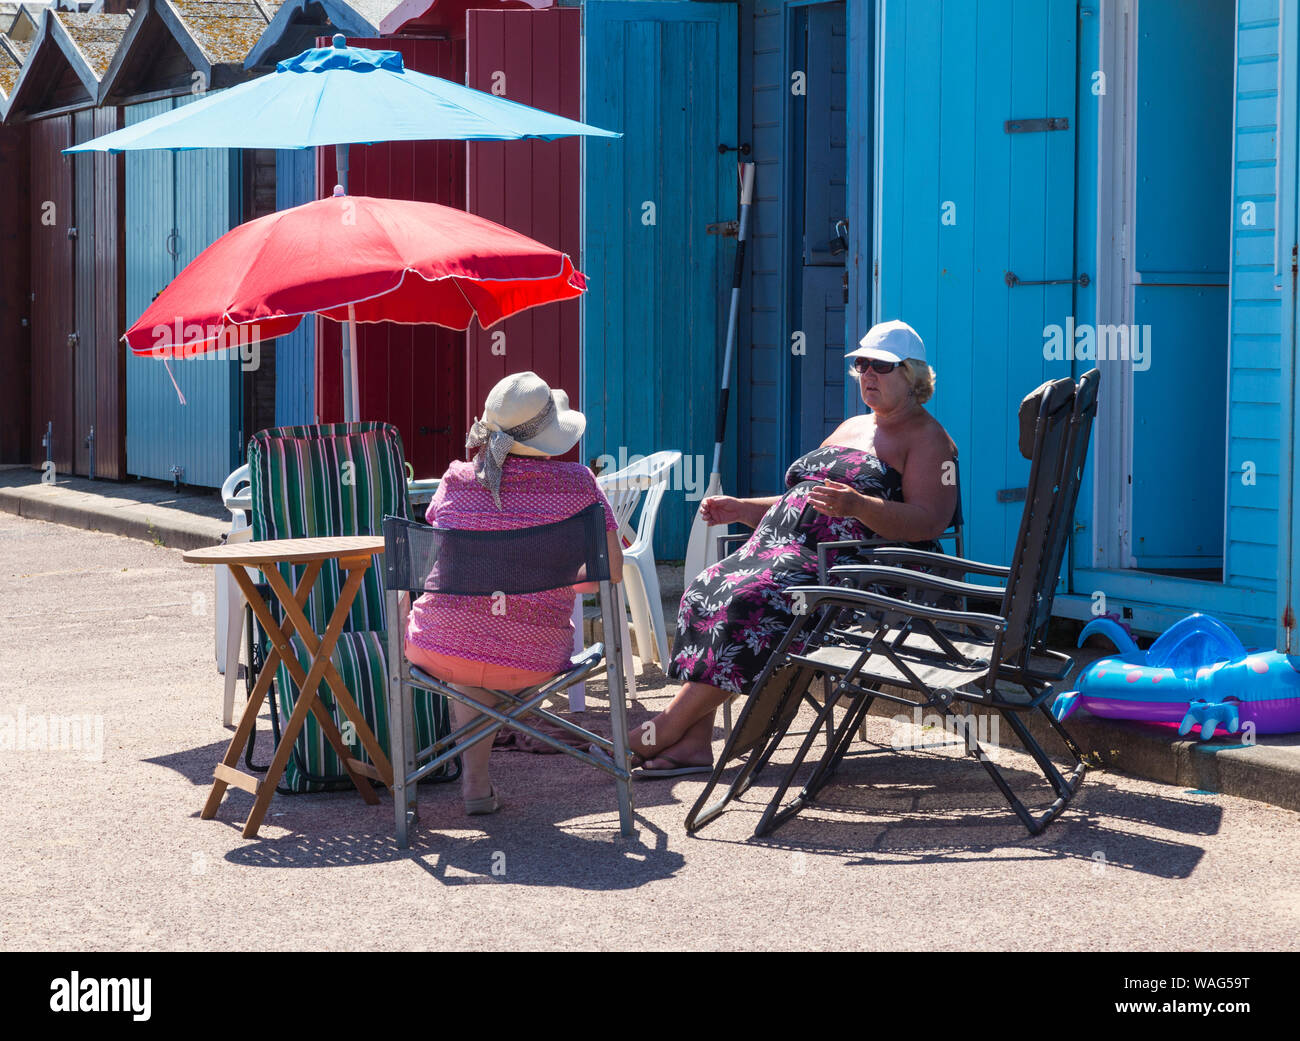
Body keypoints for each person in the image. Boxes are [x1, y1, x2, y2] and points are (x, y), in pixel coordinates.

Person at [628, 320, 958, 776]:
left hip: (852, 577)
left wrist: (860, 505)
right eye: (861, 365)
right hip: (784, 557)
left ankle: (662, 731)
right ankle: (694, 744)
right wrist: (744, 507)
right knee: (706, 588)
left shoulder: (930, 440)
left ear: (914, 375)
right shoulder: (853, 425)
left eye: (881, 366)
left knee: (746, 602)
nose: (867, 375)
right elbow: (803, 498)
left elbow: (931, 521)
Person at [405, 371, 622, 815]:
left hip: (439, 646)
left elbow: (443, 555)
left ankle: (475, 785)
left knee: (474, 647)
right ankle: (484, 778)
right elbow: (610, 573)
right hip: (536, 658)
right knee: (496, 646)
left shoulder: (454, 480)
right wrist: (558, 579)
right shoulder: (578, 485)